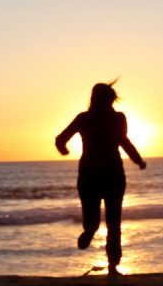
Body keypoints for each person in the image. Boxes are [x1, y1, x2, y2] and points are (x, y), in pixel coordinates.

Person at [55, 83, 146, 274]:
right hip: (113, 174)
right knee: (114, 223)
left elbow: (60, 139)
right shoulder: (118, 118)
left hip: (89, 174)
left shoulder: (84, 118)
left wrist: (64, 150)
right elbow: (124, 142)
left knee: (95, 217)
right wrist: (138, 161)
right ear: (110, 99)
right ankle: (113, 266)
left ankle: (90, 232)